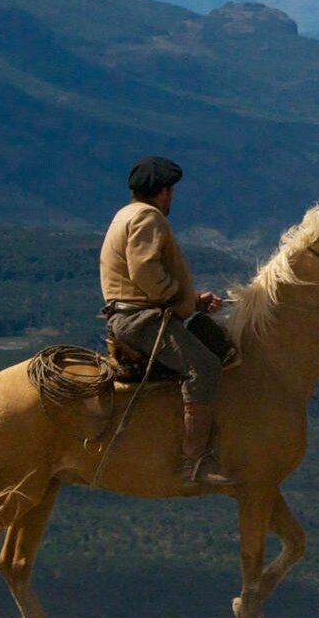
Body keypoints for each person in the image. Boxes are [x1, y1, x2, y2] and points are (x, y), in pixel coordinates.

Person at [100, 155, 235, 487]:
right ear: (162, 192)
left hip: (137, 312)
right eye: (171, 191)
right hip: (140, 319)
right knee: (203, 365)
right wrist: (179, 297)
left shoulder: (126, 214)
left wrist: (192, 301)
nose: (171, 197)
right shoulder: (149, 218)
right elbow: (145, 272)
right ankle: (194, 462)